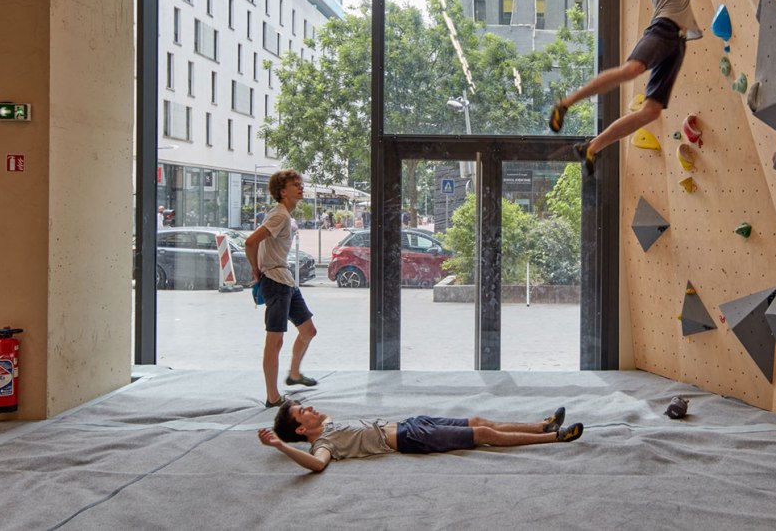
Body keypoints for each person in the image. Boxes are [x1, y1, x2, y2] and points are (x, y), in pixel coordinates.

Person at [549, 0, 699, 174]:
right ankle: (566, 103)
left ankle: (592, 147)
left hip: (677, 43)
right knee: (631, 70)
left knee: (651, 111)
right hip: (662, 29)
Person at [257, 400, 583, 472]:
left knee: (479, 419)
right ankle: (556, 438)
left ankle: (543, 425)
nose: (310, 407)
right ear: (301, 429)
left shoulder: (326, 424)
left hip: (413, 422)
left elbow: (324, 417)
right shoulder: (323, 444)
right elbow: (316, 465)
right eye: (303, 411)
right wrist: (281, 445)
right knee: (483, 434)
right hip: (412, 440)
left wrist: (299, 418)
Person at [243, 170, 319, 407]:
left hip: (285, 279)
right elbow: (250, 241)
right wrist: (256, 270)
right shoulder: (280, 216)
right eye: (294, 184)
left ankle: (294, 375)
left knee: (308, 331)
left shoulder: (283, 215)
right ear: (282, 191)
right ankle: (273, 397)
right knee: (275, 341)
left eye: (300, 183)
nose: (300, 187)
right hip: (276, 280)